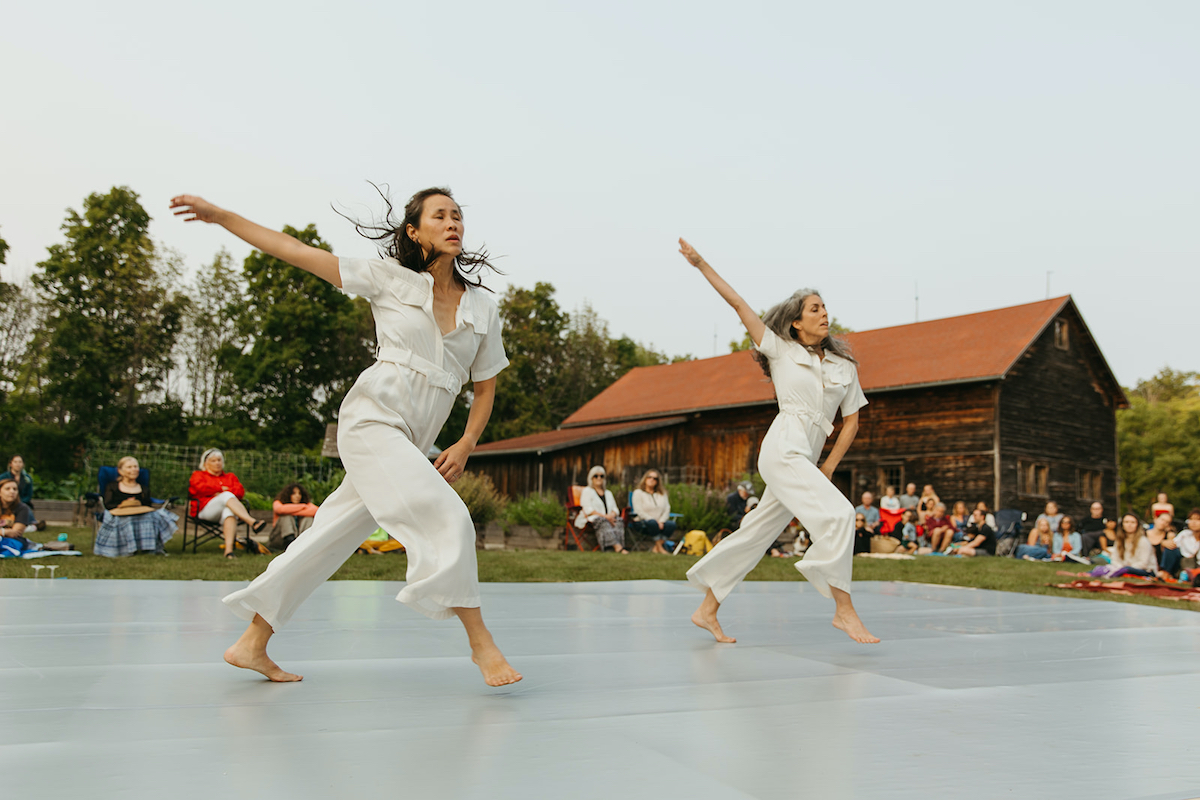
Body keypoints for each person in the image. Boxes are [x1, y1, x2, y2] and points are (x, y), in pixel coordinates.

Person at [170, 189, 521, 687]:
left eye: (458, 215)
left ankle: (251, 643)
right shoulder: (390, 279)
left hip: (414, 437)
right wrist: (220, 215)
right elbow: (293, 250)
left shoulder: (483, 306)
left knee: (327, 537)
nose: (453, 223)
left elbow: (484, 388)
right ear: (413, 231)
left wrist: (466, 443)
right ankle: (481, 643)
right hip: (373, 419)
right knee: (448, 515)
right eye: (439, 215)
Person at [678, 239, 877, 644]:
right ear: (796, 322)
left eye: (825, 307)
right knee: (839, 515)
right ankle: (843, 609)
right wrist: (701, 263)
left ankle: (707, 609)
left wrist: (828, 467)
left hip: (810, 454)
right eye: (814, 309)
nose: (824, 314)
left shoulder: (843, 366)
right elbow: (739, 305)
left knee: (757, 532)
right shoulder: (780, 349)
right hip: (784, 447)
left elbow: (852, 421)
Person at [189, 449, 268, 558]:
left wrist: (218, 492)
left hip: (223, 512)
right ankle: (253, 522)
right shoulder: (198, 475)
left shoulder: (230, 477)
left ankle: (229, 551)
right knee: (226, 495)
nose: (217, 463)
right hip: (204, 510)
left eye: (219, 460)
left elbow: (240, 491)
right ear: (205, 463)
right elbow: (199, 488)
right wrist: (222, 489)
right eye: (213, 461)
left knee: (229, 511)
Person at [93, 456, 178, 557]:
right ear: (120, 471)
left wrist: (135, 504)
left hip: (139, 513)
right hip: (119, 513)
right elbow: (108, 504)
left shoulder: (143, 489)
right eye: (129, 467)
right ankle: (126, 549)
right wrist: (123, 504)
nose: (133, 470)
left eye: (135, 467)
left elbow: (147, 505)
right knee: (128, 520)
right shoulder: (113, 486)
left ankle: (150, 548)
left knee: (153, 517)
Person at [577, 466, 628, 554]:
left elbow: (615, 509)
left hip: (608, 518)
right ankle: (616, 547)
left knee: (619, 521)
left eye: (602, 476)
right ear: (591, 478)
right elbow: (588, 509)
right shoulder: (587, 491)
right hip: (592, 519)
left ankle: (615, 547)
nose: (599, 478)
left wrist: (611, 516)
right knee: (602, 521)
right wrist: (606, 517)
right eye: (596, 476)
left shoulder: (608, 493)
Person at [631, 469, 674, 555]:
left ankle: (656, 548)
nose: (651, 480)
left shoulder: (662, 494)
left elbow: (667, 509)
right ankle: (660, 548)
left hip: (659, 523)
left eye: (655, 478)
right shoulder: (638, 493)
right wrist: (653, 520)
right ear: (645, 479)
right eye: (649, 477)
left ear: (658, 482)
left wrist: (661, 521)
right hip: (643, 523)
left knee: (671, 524)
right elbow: (638, 511)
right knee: (652, 523)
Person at [270, 483, 319, 551]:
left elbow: (316, 510)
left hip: (298, 538)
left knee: (308, 518)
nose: (297, 496)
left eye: (299, 494)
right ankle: (289, 541)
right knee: (286, 516)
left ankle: (305, 542)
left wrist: (292, 510)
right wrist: (303, 507)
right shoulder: (278, 502)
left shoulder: (307, 504)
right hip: (279, 539)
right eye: (294, 493)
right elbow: (280, 509)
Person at [0, 455, 41, 532]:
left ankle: (33, 524)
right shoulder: (3, 477)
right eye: (15, 462)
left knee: (24, 508)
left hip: (21, 502)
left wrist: (19, 501)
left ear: (23, 464)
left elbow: (29, 494)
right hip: (4, 502)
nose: (18, 464)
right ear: (10, 464)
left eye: (20, 462)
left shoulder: (27, 479)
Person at [1146, 513, 1181, 577]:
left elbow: (1172, 552)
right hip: (1146, 563)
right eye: (1162, 519)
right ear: (1156, 519)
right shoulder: (1144, 534)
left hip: (1161, 566)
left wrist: (1163, 543)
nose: (1163, 523)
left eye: (1167, 522)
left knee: (1172, 549)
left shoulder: (1169, 535)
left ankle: (1165, 573)